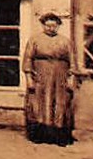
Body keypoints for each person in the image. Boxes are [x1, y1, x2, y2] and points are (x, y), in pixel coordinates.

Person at [24, 11, 75, 144]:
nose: (50, 28)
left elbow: (73, 62)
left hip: (60, 77)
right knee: (40, 103)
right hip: (41, 76)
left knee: (60, 103)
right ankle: (41, 135)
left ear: (58, 26)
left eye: (53, 26)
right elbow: (28, 59)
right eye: (47, 26)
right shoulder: (34, 40)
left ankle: (59, 136)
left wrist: (71, 78)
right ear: (43, 26)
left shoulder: (65, 41)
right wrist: (29, 78)